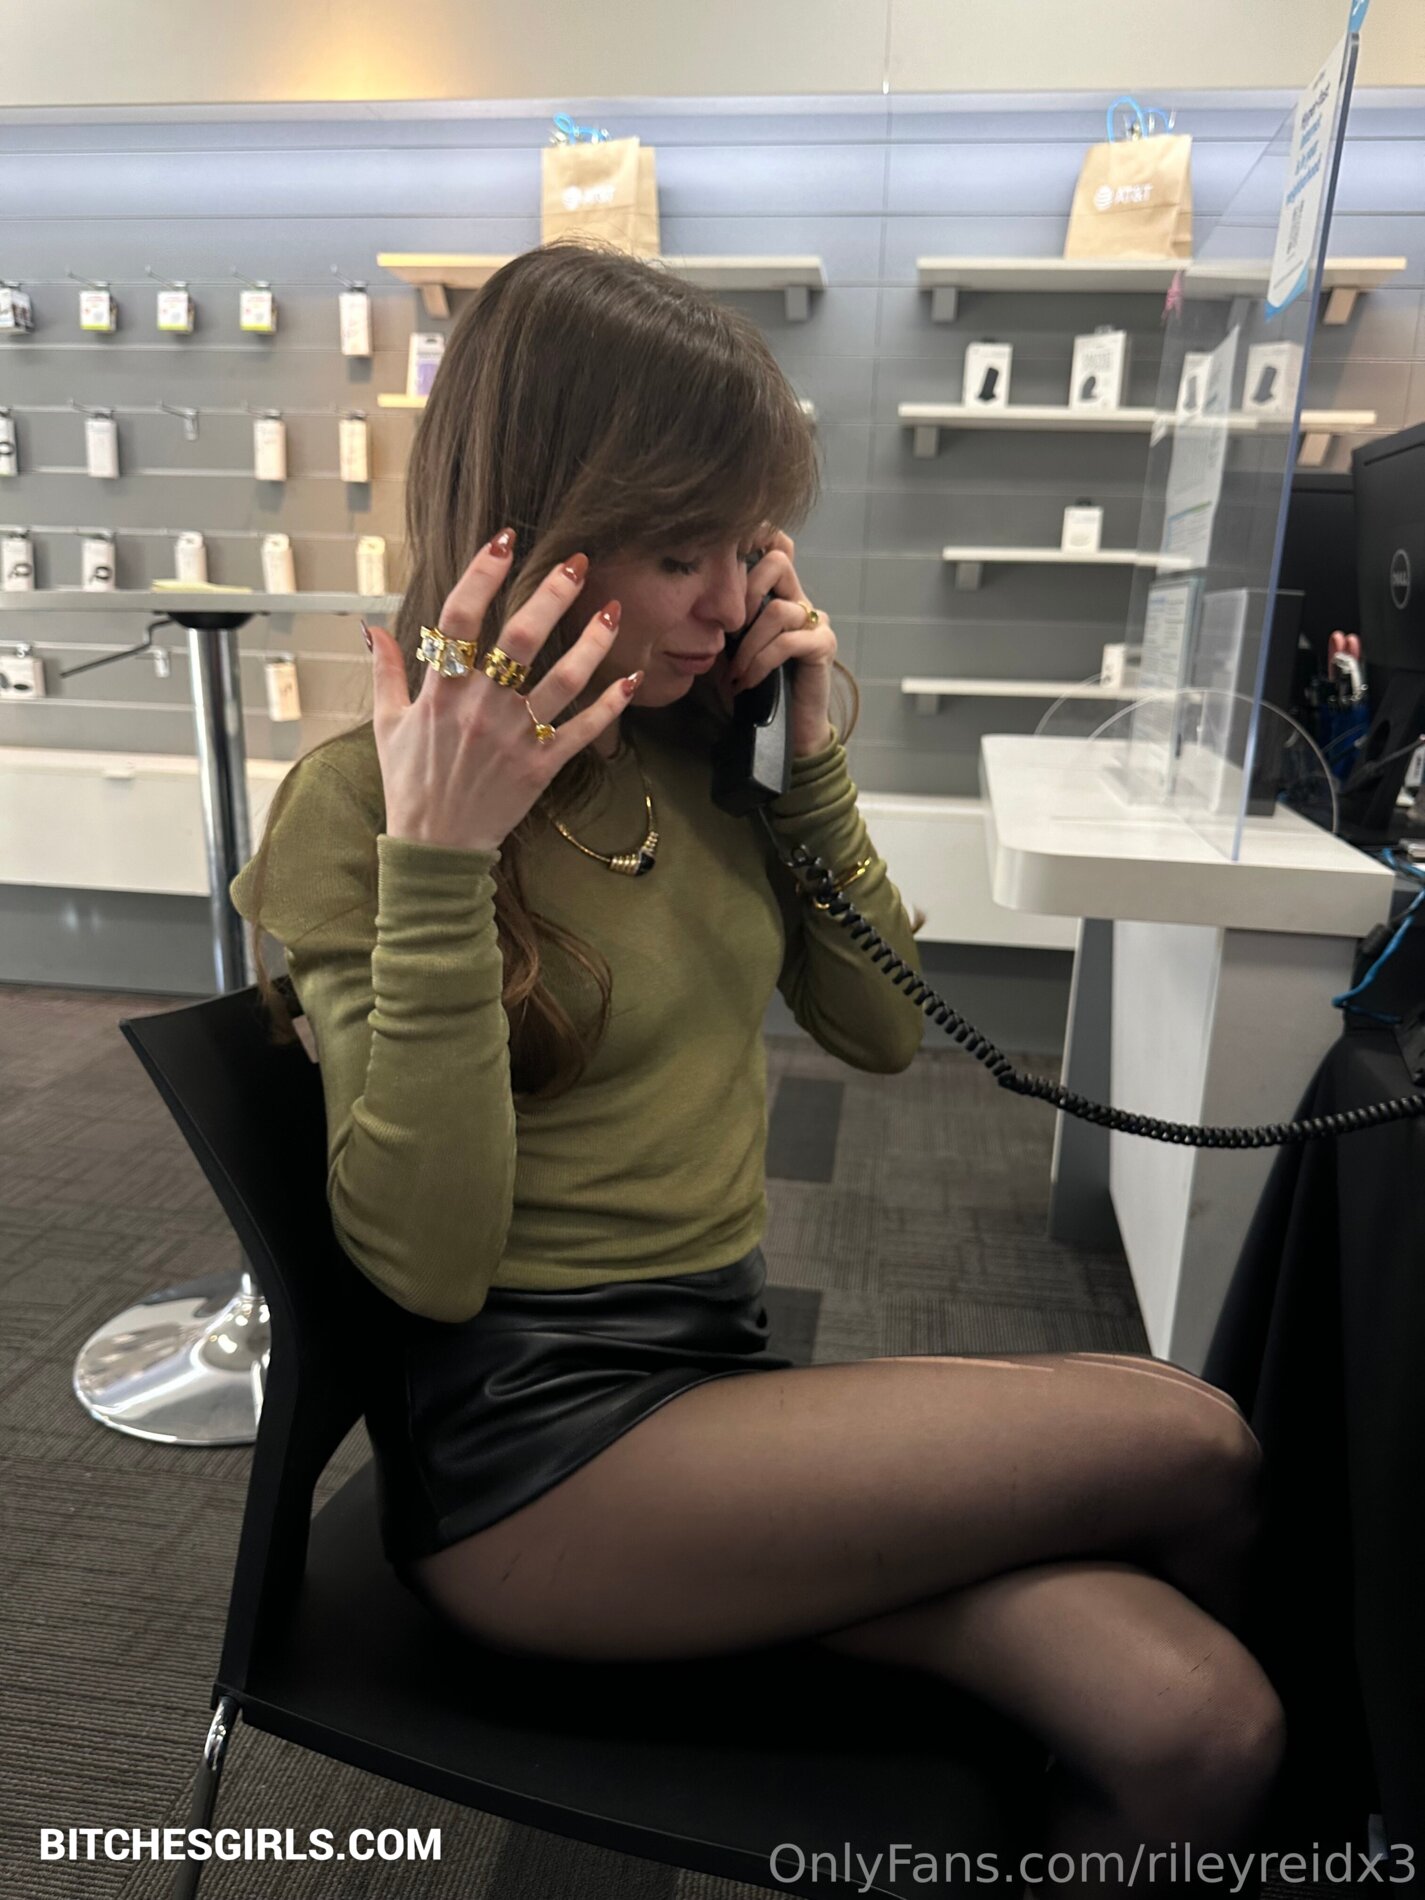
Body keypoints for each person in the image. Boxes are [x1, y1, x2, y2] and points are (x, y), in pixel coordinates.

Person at [229, 239, 1284, 1890]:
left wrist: (805, 763)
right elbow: (425, 1268)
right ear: (533, 538)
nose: (730, 603)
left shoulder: (694, 748)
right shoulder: (364, 801)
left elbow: (880, 1032)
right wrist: (442, 863)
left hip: (718, 1397)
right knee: (1196, 1441)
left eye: (746, 549)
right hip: (531, 1466)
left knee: (1195, 1721)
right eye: (679, 555)